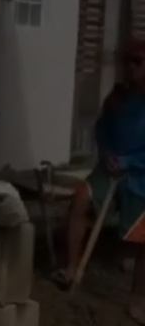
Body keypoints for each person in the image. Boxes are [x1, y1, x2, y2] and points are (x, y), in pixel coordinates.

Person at [53, 40, 145, 323]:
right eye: (128, 61)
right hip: (109, 167)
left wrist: (128, 163)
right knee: (80, 196)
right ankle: (72, 269)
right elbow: (102, 130)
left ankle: (138, 299)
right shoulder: (116, 97)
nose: (131, 68)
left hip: (141, 175)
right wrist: (107, 156)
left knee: (143, 240)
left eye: (138, 62)